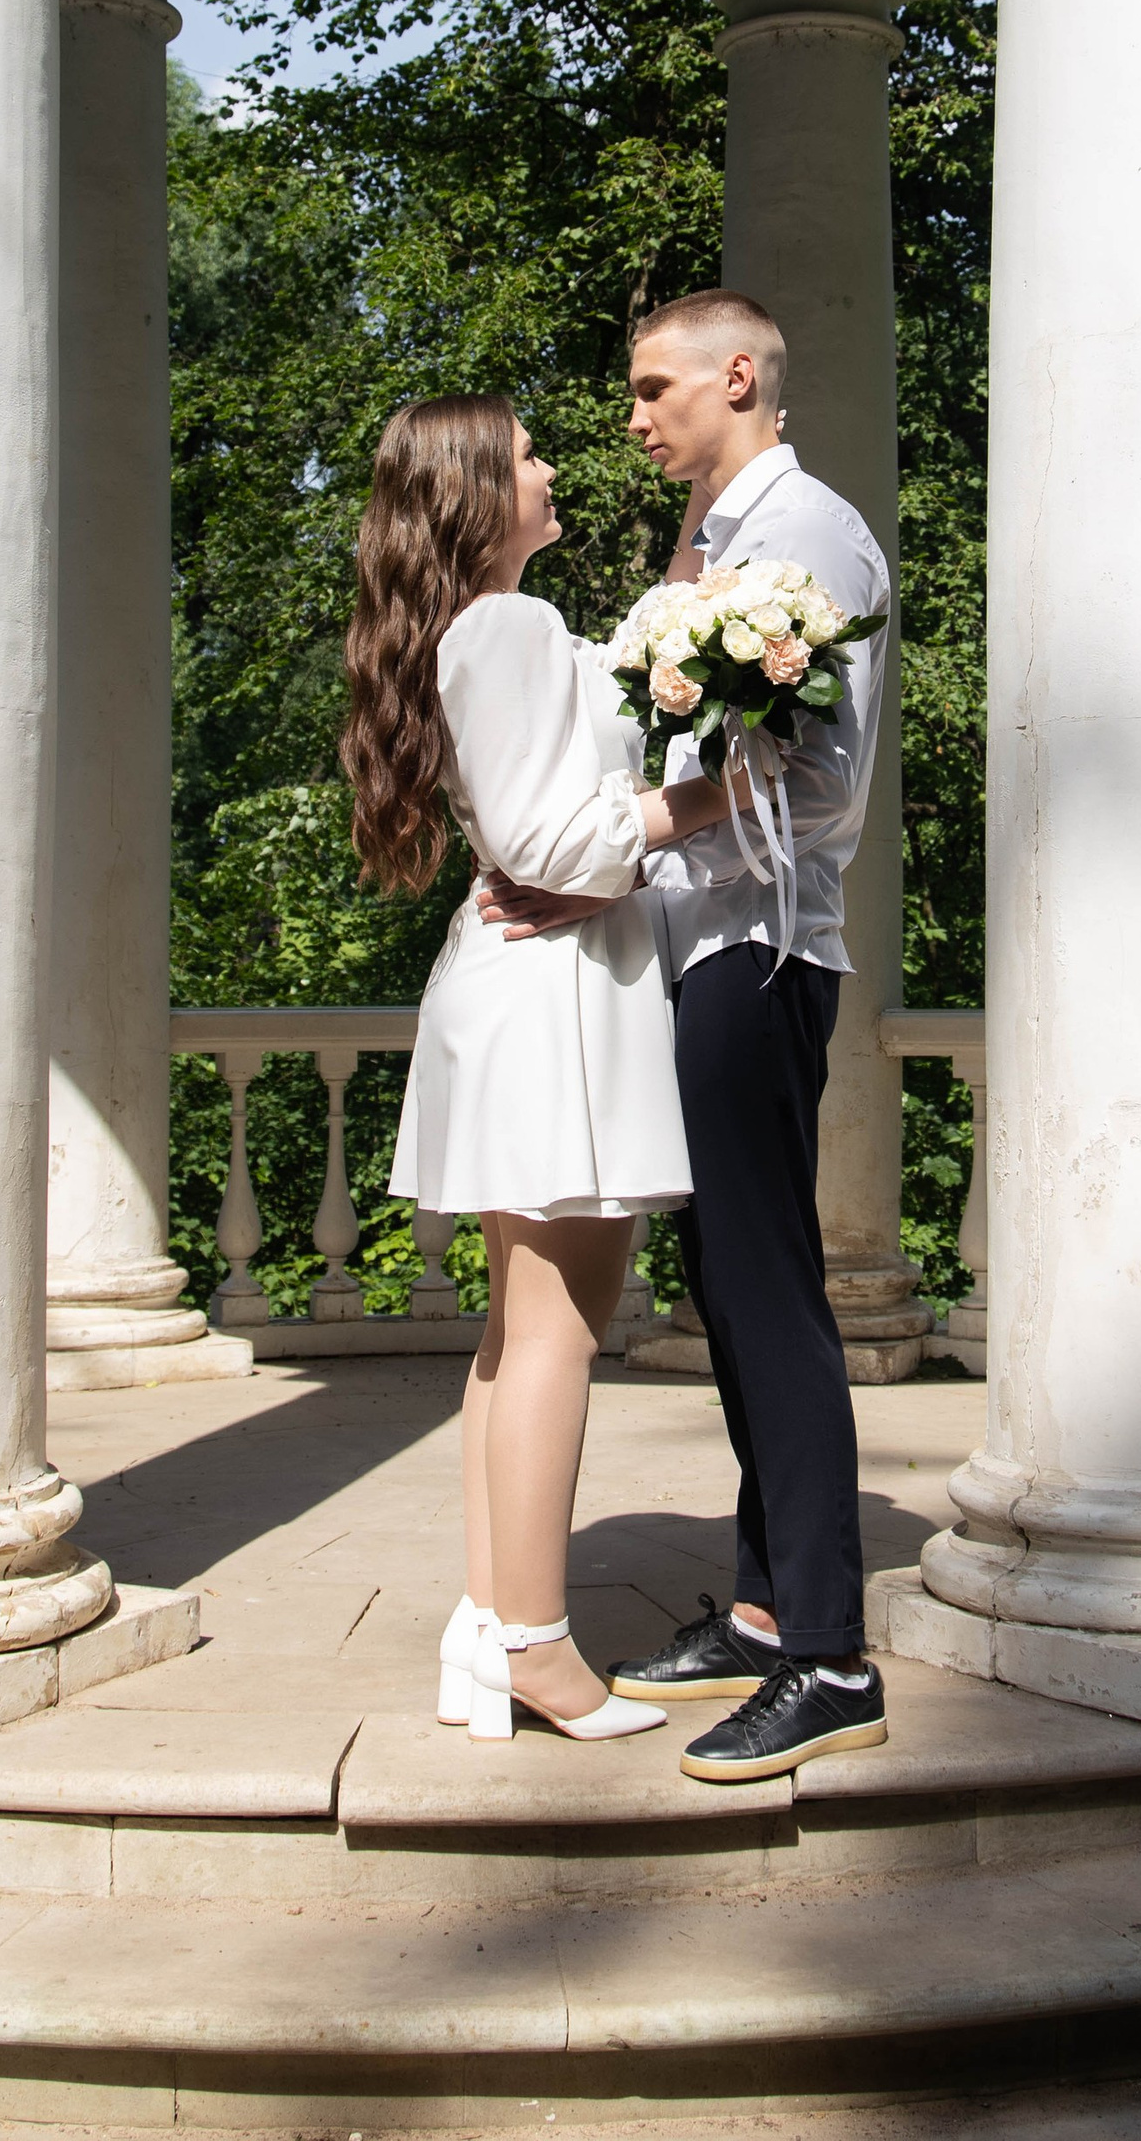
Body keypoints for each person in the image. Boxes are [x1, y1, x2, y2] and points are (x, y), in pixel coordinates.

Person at [477, 293, 890, 1781]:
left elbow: (827, 790)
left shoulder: (813, 538)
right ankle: (773, 1609)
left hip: (763, 949)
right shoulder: (714, 549)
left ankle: (834, 1657)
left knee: (769, 1289)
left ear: (738, 378)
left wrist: (631, 854)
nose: (635, 419)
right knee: (724, 1283)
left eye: (653, 390)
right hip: (691, 946)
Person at [346, 395, 728, 1742]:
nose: (554, 466)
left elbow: (607, 694)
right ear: (473, 497)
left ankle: (491, 1620)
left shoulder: (516, 628)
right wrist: (711, 802)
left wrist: (698, 562)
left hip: (540, 996)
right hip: (553, 1003)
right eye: (527, 458)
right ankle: (536, 1644)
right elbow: (545, 845)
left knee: (520, 1336)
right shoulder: (499, 628)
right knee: (559, 1333)